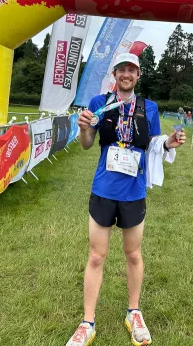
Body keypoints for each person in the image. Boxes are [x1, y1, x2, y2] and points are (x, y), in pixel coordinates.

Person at [66, 52, 186, 346]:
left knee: (133, 254)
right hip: (104, 189)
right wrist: (83, 128)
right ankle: (88, 322)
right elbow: (87, 145)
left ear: (138, 75)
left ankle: (134, 312)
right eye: (121, 69)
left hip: (134, 191)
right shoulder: (100, 103)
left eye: (131, 70)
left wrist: (169, 142)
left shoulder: (149, 107)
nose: (126, 74)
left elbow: (155, 143)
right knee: (96, 256)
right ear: (115, 74)